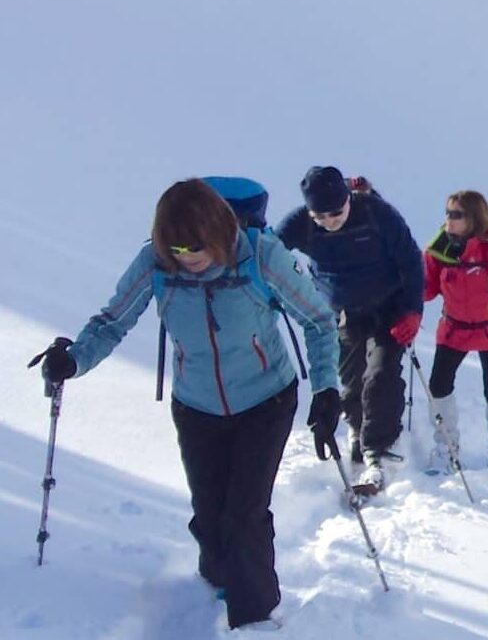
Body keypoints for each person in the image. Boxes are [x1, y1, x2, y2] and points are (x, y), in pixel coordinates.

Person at [31, 179, 340, 631]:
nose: (186, 257)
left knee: (245, 514)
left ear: (219, 232)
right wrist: (73, 360)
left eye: (196, 247)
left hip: (266, 399)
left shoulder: (261, 256)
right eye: (176, 247)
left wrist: (327, 389)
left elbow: (318, 319)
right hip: (196, 406)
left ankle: (254, 616)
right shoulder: (155, 263)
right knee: (210, 512)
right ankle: (217, 579)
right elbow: (113, 320)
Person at [276, 166, 423, 494]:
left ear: (348, 200)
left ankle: (379, 450)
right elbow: (269, 251)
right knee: (351, 378)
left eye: (336, 212)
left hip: (389, 308)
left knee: (381, 373)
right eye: (320, 215)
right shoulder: (301, 223)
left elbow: (412, 260)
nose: (329, 220)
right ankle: (358, 429)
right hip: (342, 313)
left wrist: (413, 310)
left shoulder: (376, 214)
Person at [422, 190, 488, 468]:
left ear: (474, 218)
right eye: (447, 213)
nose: (449, 220)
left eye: (457, 215)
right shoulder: (440, 248)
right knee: (438, 386)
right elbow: (427, 290)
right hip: (453, 328)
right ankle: (447, 449)